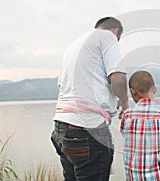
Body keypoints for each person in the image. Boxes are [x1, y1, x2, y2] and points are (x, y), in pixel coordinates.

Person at [51, 17, 128, 181]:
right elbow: (118, 79)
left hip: (62, 129)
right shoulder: (108, 36)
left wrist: (113, 101)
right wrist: (125, 102)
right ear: (115, 32)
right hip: (87, 129)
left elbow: (78, 89)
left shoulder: (73, 46)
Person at [120, 71, 160, 181]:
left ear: (132, 92)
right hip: (157, 175)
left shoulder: (127, 115)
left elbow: (125, 134)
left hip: (133, 175)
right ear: (154, 90)